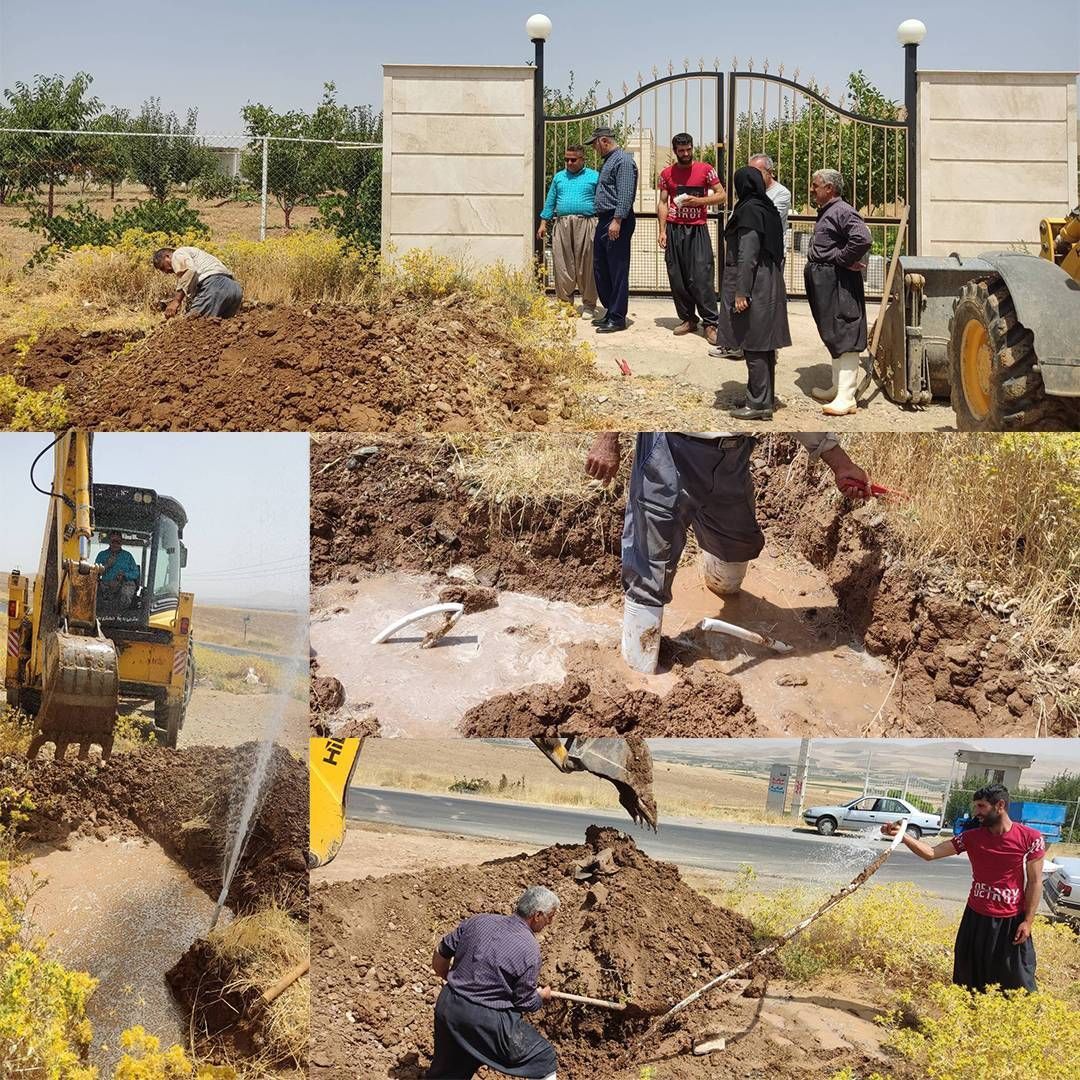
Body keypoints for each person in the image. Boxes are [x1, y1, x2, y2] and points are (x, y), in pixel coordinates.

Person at [584, 431, 870, 673]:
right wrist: (608, 435)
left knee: (736, 553)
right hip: (669, 447)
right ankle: (638, 670)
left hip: (732, 455)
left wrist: (841, 464)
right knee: (650, 566)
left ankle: (711, 566)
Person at [882, 785, 1043, 994]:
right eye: (975, 806)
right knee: (970, 978)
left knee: (1017, 981)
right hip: (976, 917)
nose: (976, 812)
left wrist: (1028, 921)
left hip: (1010, 921)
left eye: (981, 806)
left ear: (1000, 806)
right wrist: (902, 835)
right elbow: (931, 853)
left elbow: (1035, 882)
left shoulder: (1031, 838)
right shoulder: (971, 837)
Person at [428, 886, 560, 1080]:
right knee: (544, 1059)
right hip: (485, 1019)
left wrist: (450, 979)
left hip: (448, 1005)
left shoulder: (479, 921)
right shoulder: (529, 949)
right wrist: (540, 997)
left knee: (449, 1072)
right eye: (550, 917)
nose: (551, 922)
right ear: (537, 915)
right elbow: (524, 1001)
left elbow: (441, 952)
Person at [712, 167, 790, 420]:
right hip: (768, 280)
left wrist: (741, 292)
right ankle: (761, 397)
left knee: (754, 343)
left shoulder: (749, 211)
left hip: (754, 282)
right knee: (763, 344)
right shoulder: (765, 208)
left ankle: (758, 405)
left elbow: (747, 255)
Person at [803, 169, 872, 415]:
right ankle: (837, 387)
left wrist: (842, 259)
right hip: (825, 279)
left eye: (816, 185)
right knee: (832, 330)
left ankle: (847, 397)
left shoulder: (842, 210)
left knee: (845, 330)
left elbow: (862, 238)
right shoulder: (829, 211)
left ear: (830, 188)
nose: (812, 189)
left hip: (839, 280)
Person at [657, 133, 725, 343]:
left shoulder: (706, 169)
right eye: (681, 151)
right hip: (675, 230)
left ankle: (711, 323)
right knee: (677, 277)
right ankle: (688, 319)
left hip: (697, 230)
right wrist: (662, 230)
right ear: (675, 151)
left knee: (701, 277)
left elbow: (722, 194)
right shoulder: (666, 173)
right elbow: (662, 203)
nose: (685, 154)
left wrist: (700, 201)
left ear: (692, 148)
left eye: (688, 150)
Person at [538, 145, 600, 318]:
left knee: (586, 265)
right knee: (562, 265)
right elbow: (550, 201)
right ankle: (565, 304)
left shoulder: (594, 176)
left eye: (573, 160)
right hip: (562, 224)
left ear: (582, 160)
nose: (569, 163)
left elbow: (602, 201)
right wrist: (544, 222)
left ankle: (589, 305)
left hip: (586, 223)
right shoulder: (559, 177)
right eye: (566, 159)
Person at [585, 127, 638, 334]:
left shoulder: (623, 161)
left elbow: (624, 194)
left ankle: (617, 317)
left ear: (604, 141)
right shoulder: (610, 160)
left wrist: (617, 220)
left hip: (617, 220)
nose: (594, 148)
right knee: (601, 266)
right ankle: (610, 310)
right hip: (605, 218)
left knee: (617, 269)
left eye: (595, 144)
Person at [152, 246, 243, 319]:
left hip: (215, 286)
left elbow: (189, 272)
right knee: (219, 329)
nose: (166, 272)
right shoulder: (197, 257)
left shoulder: (177, 254)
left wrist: (176, 302)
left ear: (167, 256)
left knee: (191, 324)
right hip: (235, 289)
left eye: (162, 267)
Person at [95, 531, 139, 609]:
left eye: (118, 542)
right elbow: (95, 572)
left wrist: (124, 575)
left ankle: (122, 612)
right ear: (109, 542)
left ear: (121, 542)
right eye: (113, 541)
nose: (115, 544)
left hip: (123, 584)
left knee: (126, 592)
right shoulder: (102, 555)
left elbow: (135, 573)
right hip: (105, 585)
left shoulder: (128, 556)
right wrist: (107, 565)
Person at [749, 154, 791, 234]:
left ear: (770, 172)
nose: (752, 176)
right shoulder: (750, 190)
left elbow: (768, 219)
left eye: (757, 172)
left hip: (771, 244)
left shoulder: (782, 193)